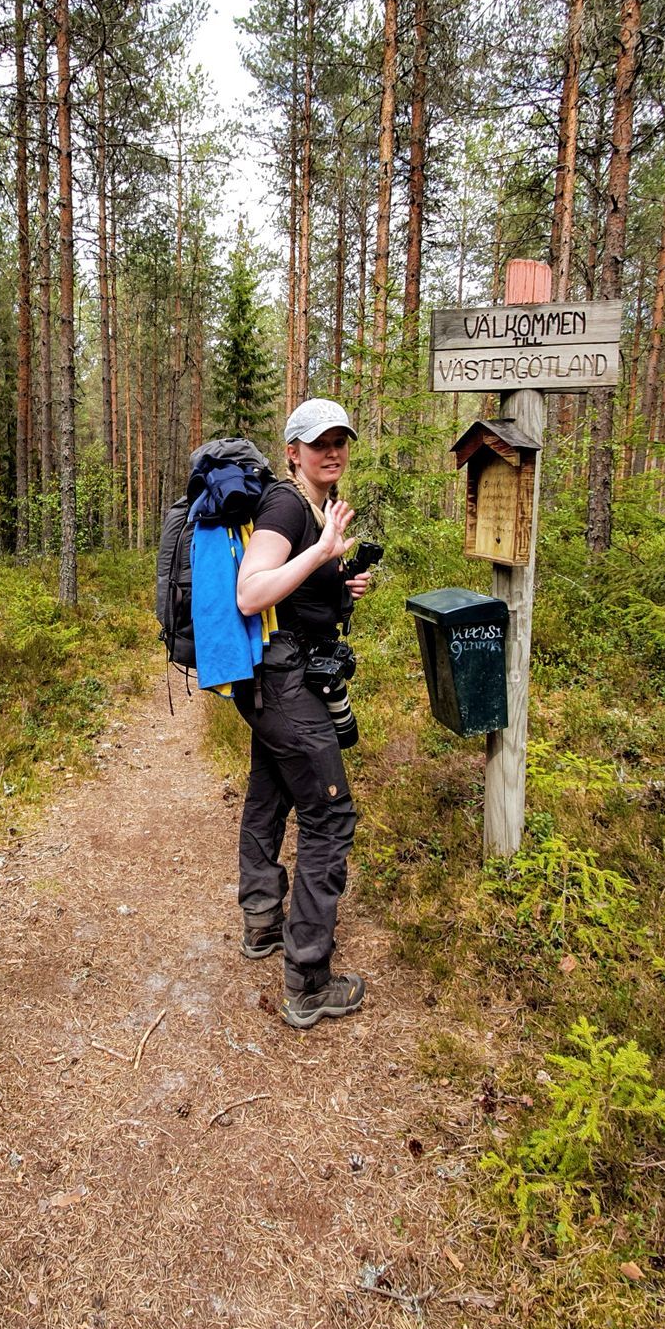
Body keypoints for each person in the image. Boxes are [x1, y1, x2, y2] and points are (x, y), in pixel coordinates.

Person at [231, 397, 374, 1029]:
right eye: (319, 443)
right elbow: (250, 592)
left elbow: (295, 594)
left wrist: (339, 583)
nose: (333, 451)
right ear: (294, 451)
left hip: (273, 685)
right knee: (330, 816)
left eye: (340, 440)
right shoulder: (288, 506)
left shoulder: (317, 508)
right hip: (285, 685)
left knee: (269, 791)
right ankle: (309, 980)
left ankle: (262, 920)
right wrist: (318, 555)